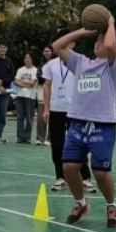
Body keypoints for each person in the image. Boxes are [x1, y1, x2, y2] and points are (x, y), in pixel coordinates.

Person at [53, 15, 116, 228]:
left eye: (102, 40)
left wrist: (111, 23)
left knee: (101, 172)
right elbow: (57, 46)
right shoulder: (81, 62)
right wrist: (83, 32)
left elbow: (111, 46)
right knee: (69, 167)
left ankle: (112, 206)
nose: (98, 43)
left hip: (102, 125)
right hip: (78, 122)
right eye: (97, 40)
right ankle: (81, 203)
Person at [42, 40, 96, 194]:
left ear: (72, 44)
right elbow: (46, 86)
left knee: (80, 143)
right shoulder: (51, 64)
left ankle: (85, 178)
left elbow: (89, 87)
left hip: (77, 111)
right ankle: (60, 178)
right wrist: (46, 108)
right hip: (56, 109)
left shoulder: (82, 62)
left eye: (67, 42)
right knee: (57, 145)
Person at [14, 54, 39, 144]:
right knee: (20, 117)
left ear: (32, 59)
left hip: (30, 96)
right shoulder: (20, 70)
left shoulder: (35, 70)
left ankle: (27, 137)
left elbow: (32, 83)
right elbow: (16, 81)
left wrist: (21, 81)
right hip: (20, 95)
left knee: (29, 117)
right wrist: (25, 84)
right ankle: (20, 137)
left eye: (29, 58)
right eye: (25, 58)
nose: (27, 59)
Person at [36, 46, 53, 146]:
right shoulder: (42, 65)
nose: (46, 53)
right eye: (44, 51)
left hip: (54, 95)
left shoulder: (57, 64)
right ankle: (40, 138)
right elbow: (39, 78)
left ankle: (50, 138)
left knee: (53, 118)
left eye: (48, 51)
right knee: (41, 117)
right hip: (42, 94)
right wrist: (48, 79)